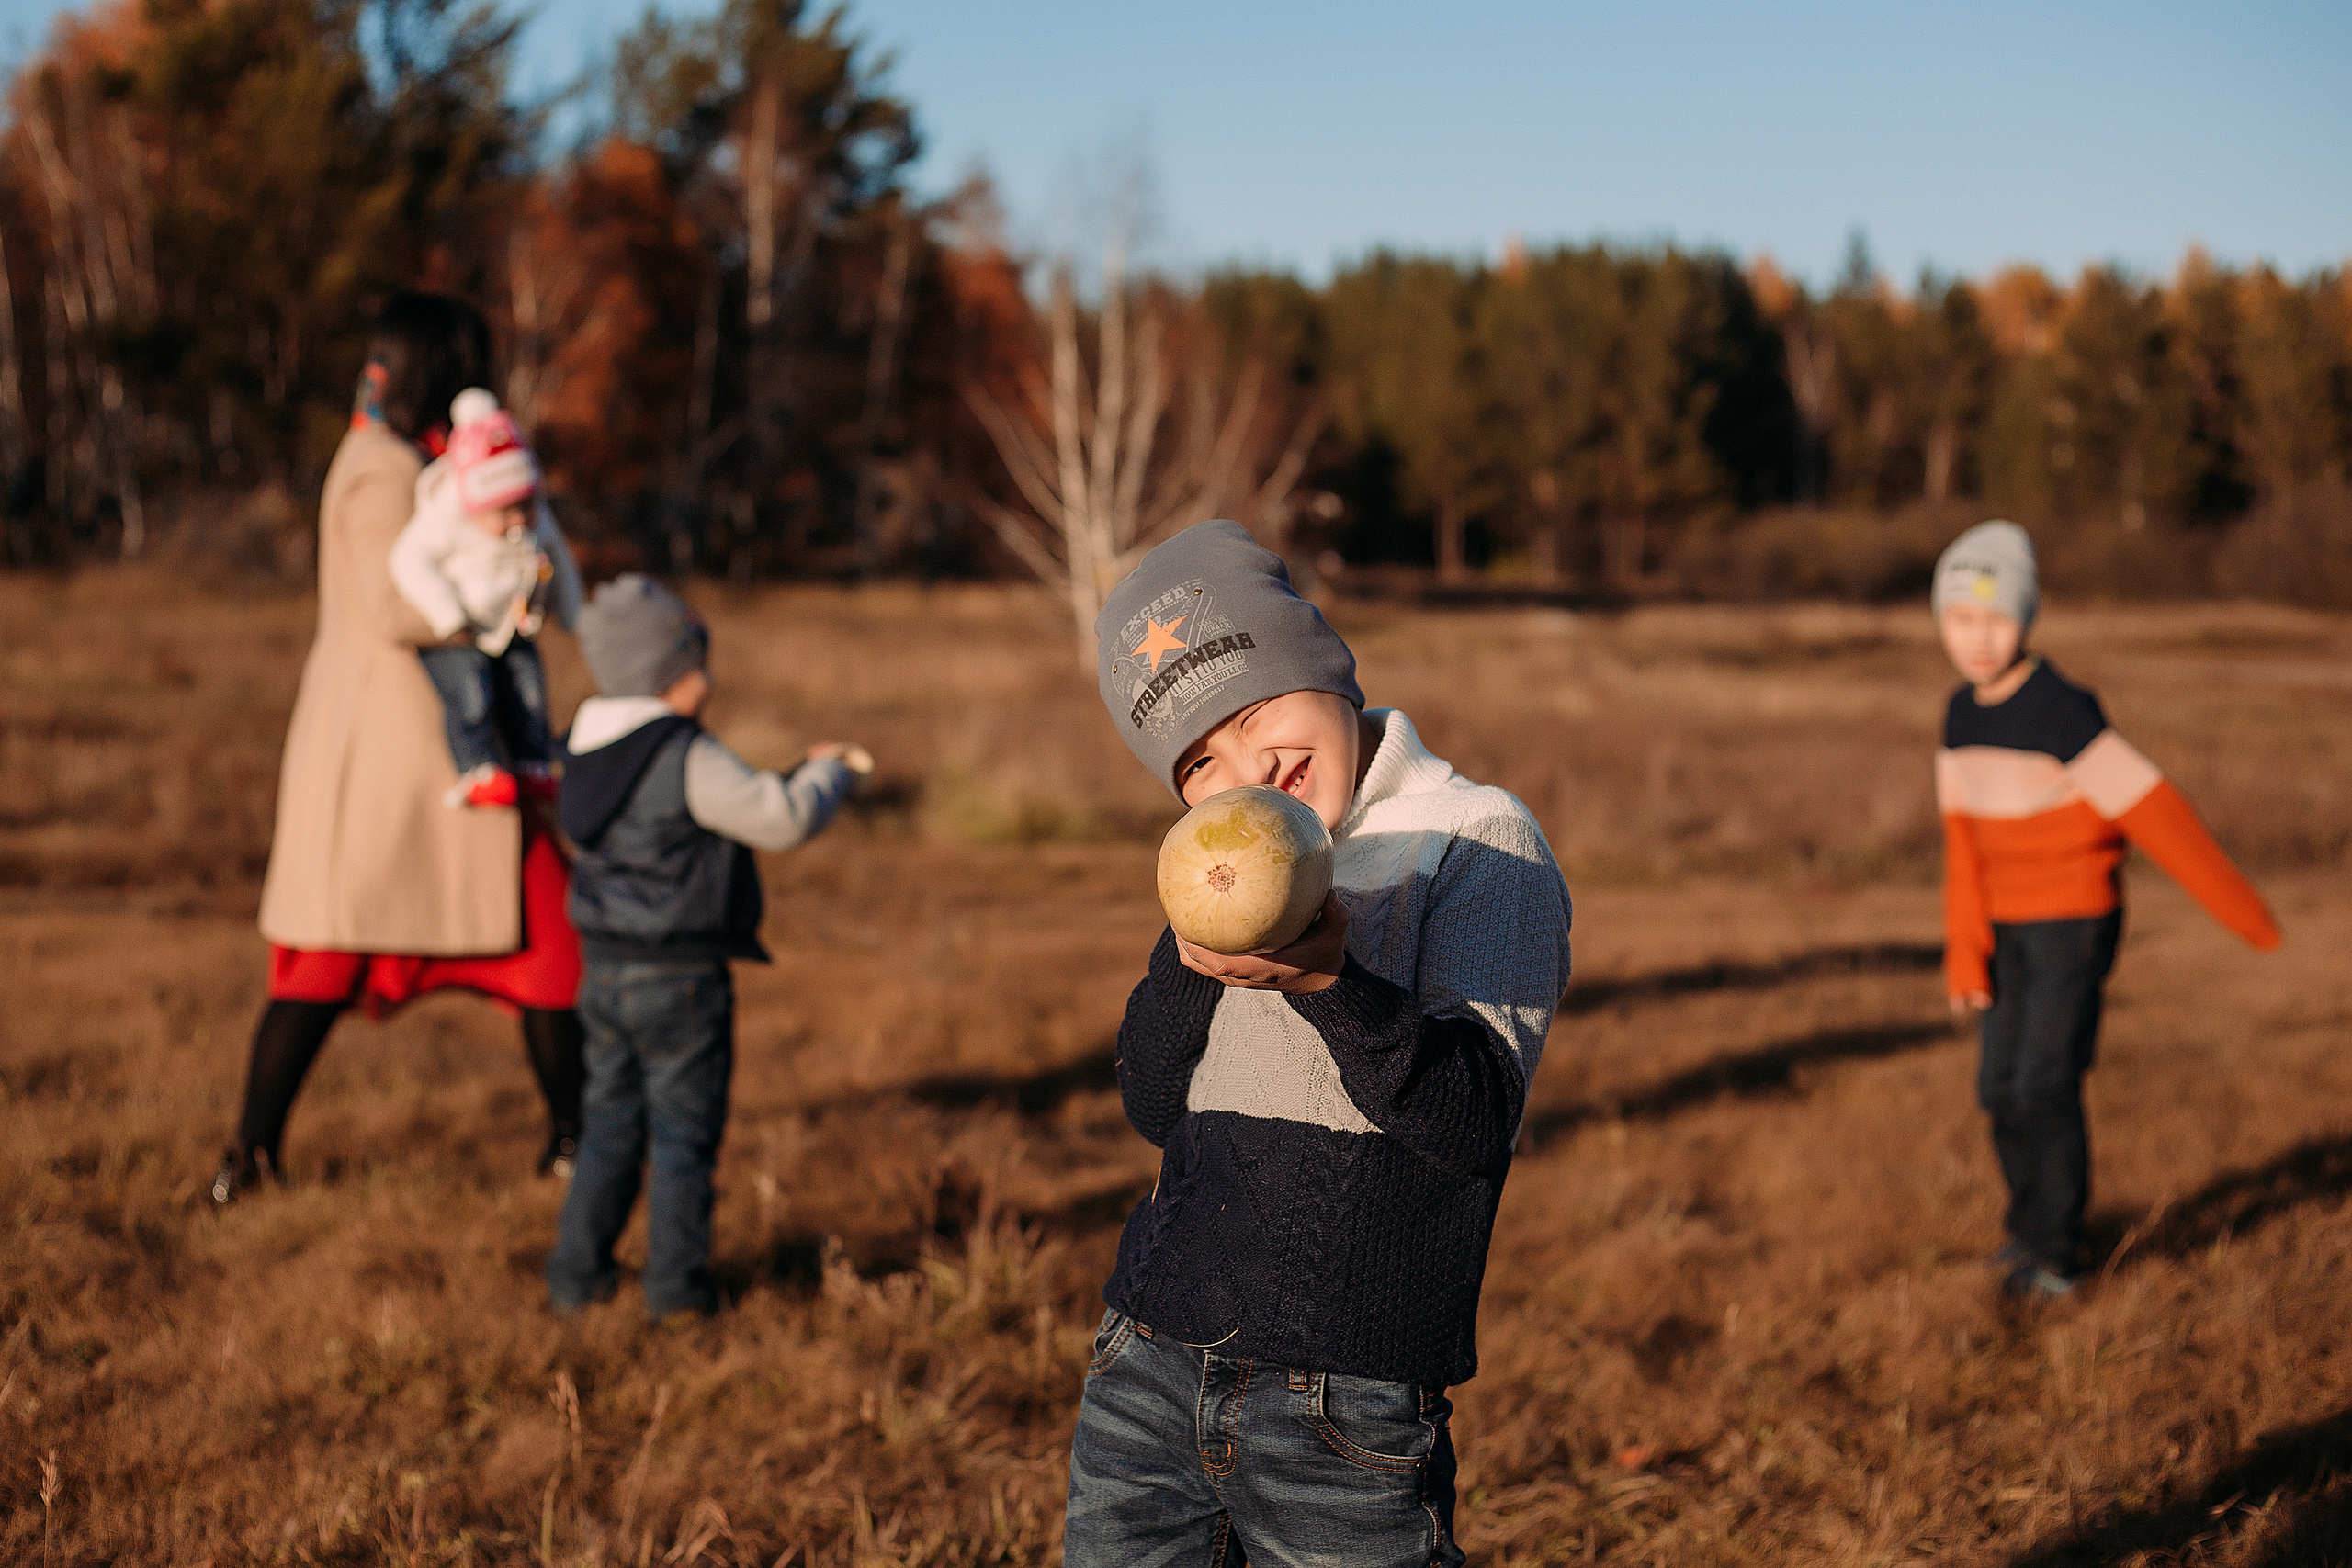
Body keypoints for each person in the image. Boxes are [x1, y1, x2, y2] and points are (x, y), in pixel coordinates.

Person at [1063, 521, 1572, 1566]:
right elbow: (1154, 1104)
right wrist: (1181, 962)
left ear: (1327, 671)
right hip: (1148, 1368)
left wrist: (1334, 987)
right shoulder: (1223, 872)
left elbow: (1472, 1120)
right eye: (1197, 762)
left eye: (1257, 714)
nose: (1247, 765)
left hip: (1343, 1406)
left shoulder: (1477, 841)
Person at [214, 294, 588, 1206]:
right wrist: (507, 592)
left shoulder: (416, 459)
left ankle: (575, 1142)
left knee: (549, 942)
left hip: (448, 758)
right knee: (329, 959)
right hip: (392, 760)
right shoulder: (381, 469)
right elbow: (391, 606)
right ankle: (249, 1158)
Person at [1931, 520, 2281, 1299]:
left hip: (2072, 922)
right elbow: (1962, 847)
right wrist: (1964, 949)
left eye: (1996, 617)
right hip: (2004, 926)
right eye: (1960, 618)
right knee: (1999, 1087)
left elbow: (2159, 814)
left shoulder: (2064, 709)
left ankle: (2057, 1255)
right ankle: (2025, 1232)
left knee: (2046, 1082)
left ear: (2027, 617)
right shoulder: (1960, 715)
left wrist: (2246, 914)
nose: (1979, 638)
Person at [546, 574, 869, 1320]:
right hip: (681, 978)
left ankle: (575, 1275)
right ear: (667, 672)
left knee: (610, 1126)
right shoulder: (682, 753)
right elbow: (780, 817)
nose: (709, 678)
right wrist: (826, 771)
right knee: (684, 1137)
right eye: (696, 661)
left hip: (604, 970)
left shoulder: (583, 748)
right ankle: (677, 1295)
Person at [390, 387, 583, 807]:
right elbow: (407, 560)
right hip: (462, 628)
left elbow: (561, 560)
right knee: (469, 693)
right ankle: (477, 768)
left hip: (514, 623)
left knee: (530, 691)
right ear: (473, 502)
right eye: (504, 512)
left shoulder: (536, 520)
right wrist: (447, 614)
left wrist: (573, 612)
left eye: (526, 507)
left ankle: (534, 764)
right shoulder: (446, 514)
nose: (519, 522)